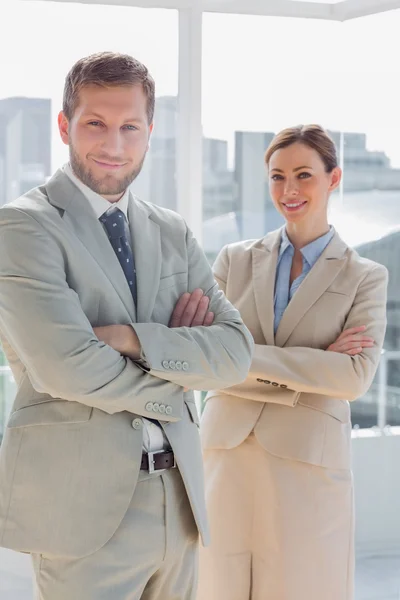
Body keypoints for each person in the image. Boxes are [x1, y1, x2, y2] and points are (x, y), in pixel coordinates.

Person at [0, 52, 253, 600]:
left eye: (129, 127)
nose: (113, 144)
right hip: (82, 512)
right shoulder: (23, 226)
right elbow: (67, 369)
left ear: (149, 132)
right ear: (65, 125)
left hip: (179, 500)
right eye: (96, 123)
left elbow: (235, 352)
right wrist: (181, 368)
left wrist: (133, 338)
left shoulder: (172, 230)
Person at [198, 124, 388, 600]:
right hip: (226, 455)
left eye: (304, 175)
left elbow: (354, 376)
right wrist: (312, 365)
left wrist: (240, 356)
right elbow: (202, 358)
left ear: (333, 177)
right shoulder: (233, 260)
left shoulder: (365, 276)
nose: (290, 190)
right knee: (216, 587)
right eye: (278, 177)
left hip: (308, 464)